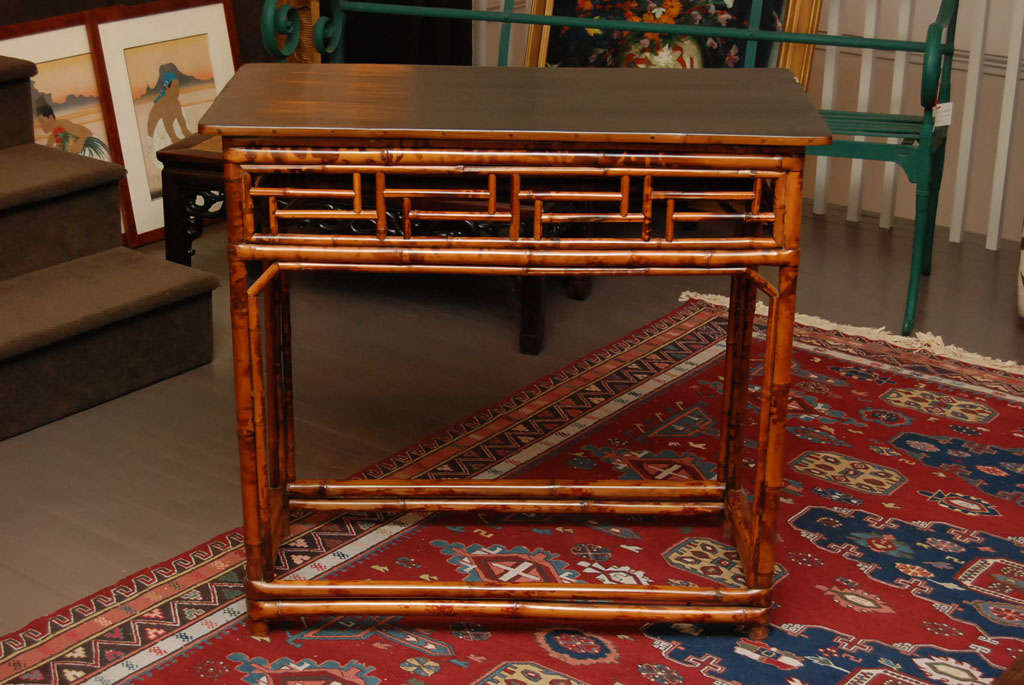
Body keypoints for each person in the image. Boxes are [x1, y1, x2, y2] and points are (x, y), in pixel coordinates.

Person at [35, 100, 110, 159]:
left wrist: (80, 142)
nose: (41, 126)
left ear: (50, 117)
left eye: (42, 121)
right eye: (39, 122)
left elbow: (87, 132)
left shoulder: (64, 124)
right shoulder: (52, 137)